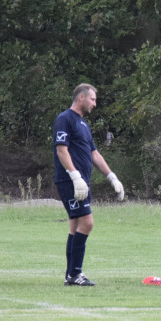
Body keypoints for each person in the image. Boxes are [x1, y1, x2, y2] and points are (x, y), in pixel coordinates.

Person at [53, 83, 124, 286]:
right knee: (87, 223)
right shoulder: (65, 119)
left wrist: (111, 177)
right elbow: (61, 150)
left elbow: (94, 153)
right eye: (92, 99)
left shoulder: (83, 124)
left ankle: (71, 275)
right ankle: (75, 274)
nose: (95, 104)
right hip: (70, 182)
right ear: (81, 98)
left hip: (82, 183)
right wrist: (75, 177)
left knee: (76, 226)